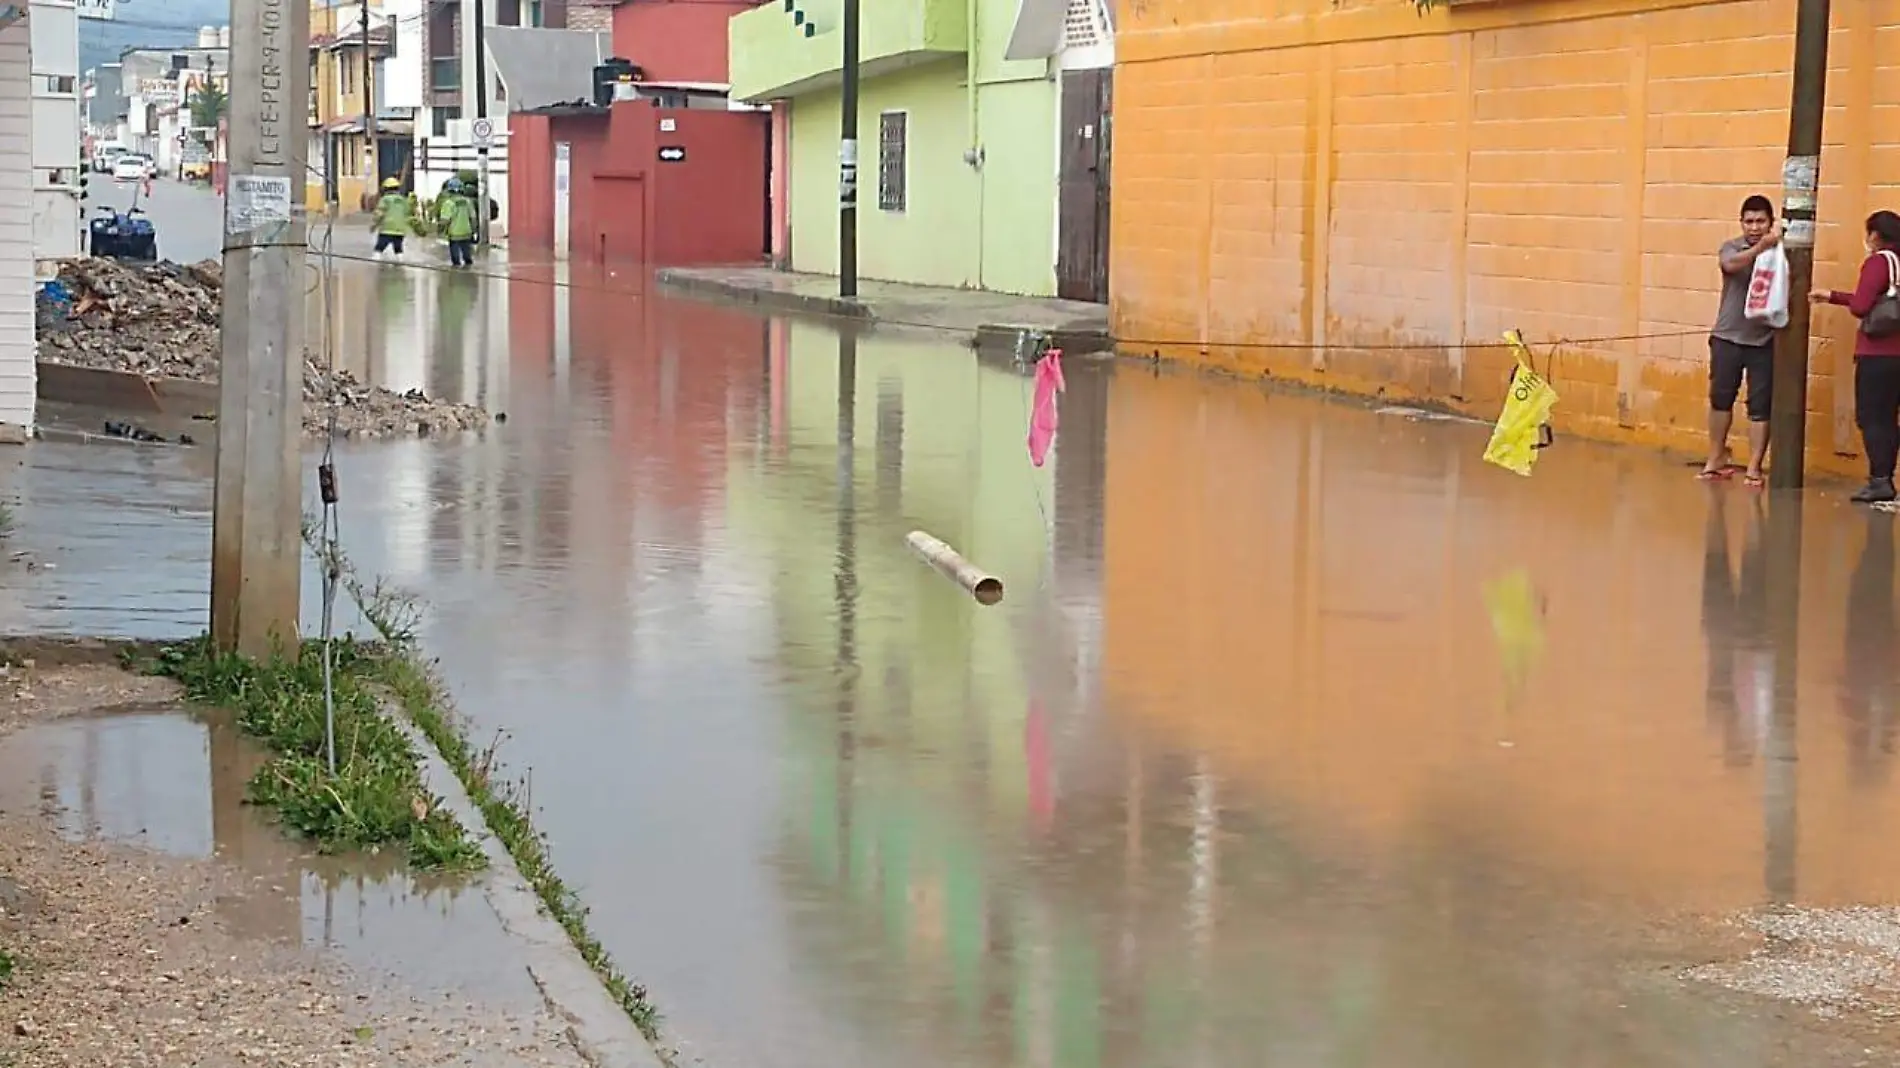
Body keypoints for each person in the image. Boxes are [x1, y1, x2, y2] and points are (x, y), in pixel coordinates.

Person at [1811, 210, 1900, 503]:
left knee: (1873, 417)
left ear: (1875, 235)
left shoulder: (1878, 262)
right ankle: (1884, 478)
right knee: (1889, 417)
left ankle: (1880, 480)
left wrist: (1842, 299)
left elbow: (1862, 305)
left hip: (1878, 355)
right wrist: (1834, 295)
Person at [1703, 195, 1782, 485]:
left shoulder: (1781, 252)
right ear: (1741, 223)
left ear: (1770, 223)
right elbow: (1730, 266)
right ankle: (1715, 457)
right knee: (1720, 399)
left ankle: (1754, 466)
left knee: (1760, 405)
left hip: (1764, 340)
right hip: (1727, 337)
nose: (1754, 227)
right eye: (1748, 221)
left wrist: (1771, 249)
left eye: (1760, 221)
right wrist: (1759, 249)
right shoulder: (1731, 248)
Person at [437, 178, 477, 269]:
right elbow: (473, 218)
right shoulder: (468, 202)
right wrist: (473, 231)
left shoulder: (448, 203)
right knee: (468, 259)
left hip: (454, 235)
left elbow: (444, 221)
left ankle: (457, 278)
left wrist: (440, 230)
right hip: (467, 233)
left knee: (456, 262)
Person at [370, 177, 411, 260]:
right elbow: (408, 213)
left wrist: (374, 225)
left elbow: (379, 213)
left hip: (387, 228)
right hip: (400, 230)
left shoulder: (385, 199)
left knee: (379, 247)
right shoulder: (403, 200)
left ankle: (375, 261)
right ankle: (400, 261)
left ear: (385, 189)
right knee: (398, 248)